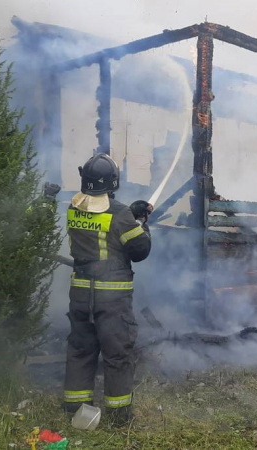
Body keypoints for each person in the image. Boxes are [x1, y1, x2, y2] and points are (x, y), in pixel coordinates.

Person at [63, 152, 152, 426]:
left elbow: (104, 228)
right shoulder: (118, 214)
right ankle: (118, 416)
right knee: (117, 353)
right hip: (110, 298)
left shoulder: (73, 208)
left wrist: (131, 214)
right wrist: (142, 223)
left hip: (80, 294)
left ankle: (76, 410)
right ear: (113, 182)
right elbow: (139, 250)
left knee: (80, 350)